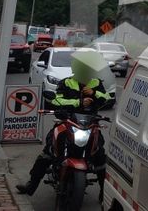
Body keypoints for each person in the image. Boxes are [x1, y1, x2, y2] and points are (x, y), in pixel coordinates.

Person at [16, 51, 111, 195]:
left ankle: (104, 194)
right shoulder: (66, 83)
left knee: (100, 154)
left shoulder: (96, 84)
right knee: (49, 150)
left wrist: (94, 93)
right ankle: (31, 185)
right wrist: (79, 102)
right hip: (68, 121)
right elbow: (57, 100)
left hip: (90, 124)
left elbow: (107, 98)